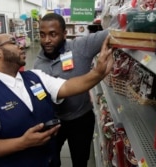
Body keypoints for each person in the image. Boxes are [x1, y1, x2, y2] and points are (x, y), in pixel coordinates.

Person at [0, 33, 113, 167]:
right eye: (13, 42)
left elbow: (67, 87)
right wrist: (23, 143)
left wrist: (98, 73)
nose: (21, 46)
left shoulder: (35, 76)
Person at [34, 13, 110, 167]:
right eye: (42, 35)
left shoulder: (80, 47)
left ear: (64, 34)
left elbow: (113, 33)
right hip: (53, 122)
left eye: (53, 34)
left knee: (80, 161)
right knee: (51, 161)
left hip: (81, 119)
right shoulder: (37, 65)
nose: (46, 40)